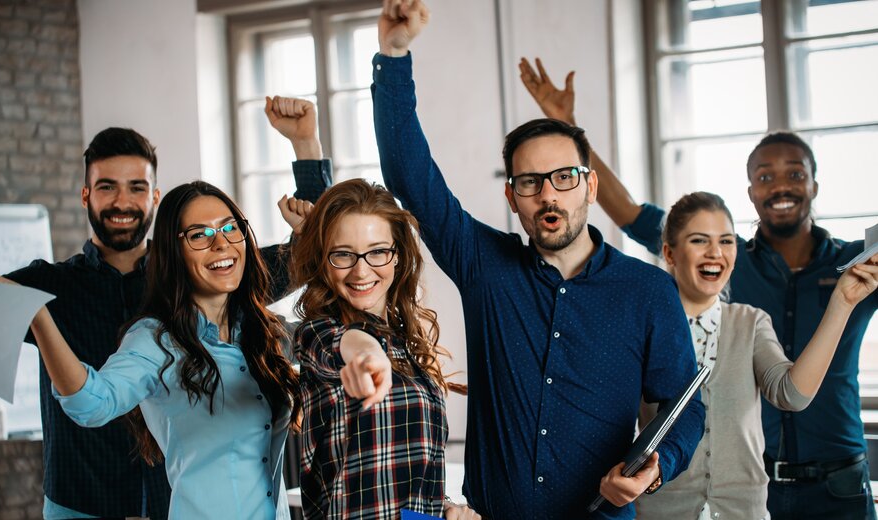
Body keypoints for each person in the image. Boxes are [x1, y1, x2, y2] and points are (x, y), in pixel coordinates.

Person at [372, 2, 705, 518]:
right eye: (530, 182)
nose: (549, 195)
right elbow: (410, 177)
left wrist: (654, 467)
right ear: (512, 197)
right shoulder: (484, 264)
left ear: (590, 185)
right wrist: (394, 55)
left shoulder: (648, 291)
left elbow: (684, 405)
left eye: (564, 178)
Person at [520, 56, 878, 520]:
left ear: (815, 184)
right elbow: (627, 212)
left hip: (831, 481)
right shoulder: (685, 289)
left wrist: (844, 300)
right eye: (764, 176)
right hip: (704, 493)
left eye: (795, 173)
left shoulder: (854, 268)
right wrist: (569, 132)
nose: (780, 185)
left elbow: (790, 390)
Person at [1, 100, 330, 519]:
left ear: (154, 197)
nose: (123, 201)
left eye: (136, 187)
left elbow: (308, 249)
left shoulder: (203, 277)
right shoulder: (50, 287)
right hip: (82, 505)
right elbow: (90, 400)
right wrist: (34, 309)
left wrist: (306, 145)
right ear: (86, 195)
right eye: (107, 187)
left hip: (169, 501)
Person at [627, 192, 878, 519]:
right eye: (700, 240)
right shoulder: (642, 326)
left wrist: (842, 303)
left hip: (742, 512)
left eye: (727, 241)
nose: (716, 253)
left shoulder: (750, 323)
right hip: (661, 511)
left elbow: (791, 395)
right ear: (669, 253)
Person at [289, 178, 453, 519]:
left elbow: (408, 475)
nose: (361, 270)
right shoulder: (317, 333)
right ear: (323, 259)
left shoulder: (404, 346)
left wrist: (445, 509)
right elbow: (349, 346)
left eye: (377, 251)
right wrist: (367, 356)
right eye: (343, 254)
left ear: (398, 256)